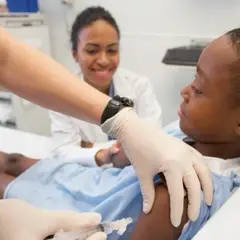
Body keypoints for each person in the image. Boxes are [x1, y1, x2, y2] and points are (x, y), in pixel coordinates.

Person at [1, 27, 240, 239]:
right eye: (192, 79)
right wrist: (122, 153)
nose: (184, 90)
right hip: (94, 180)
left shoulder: (181, 194)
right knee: (13, 160)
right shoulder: (182, 131)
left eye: (198, 88)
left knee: (9, 184)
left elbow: (7, 57)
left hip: (80, 209)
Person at [49, 6, 162, 149]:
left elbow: (153, 141)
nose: (103, 60)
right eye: (92, 51)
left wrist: (89, 147)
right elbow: (65, 151)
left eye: (112, 50)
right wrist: (126, 145)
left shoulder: (140, 86)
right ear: (75, 54)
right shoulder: (60, 95)